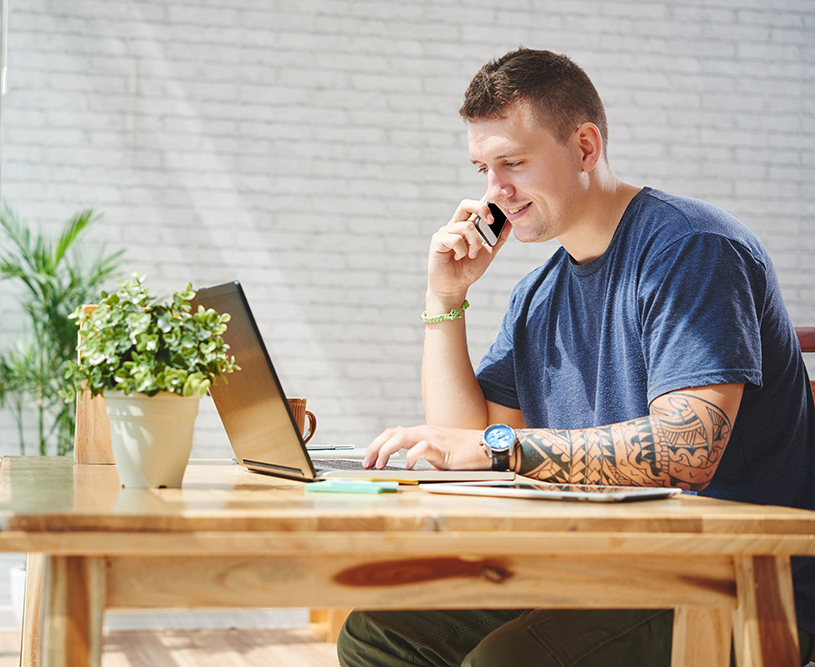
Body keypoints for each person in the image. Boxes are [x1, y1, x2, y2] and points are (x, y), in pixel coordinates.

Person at [337, 47, 815, 667]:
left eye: (512, 162)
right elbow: (465, 444)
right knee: (379, 633)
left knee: (507, 661)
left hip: (730, 576)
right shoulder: (538, 293)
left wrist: (497, 447)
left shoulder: (692, 250)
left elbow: (686, 451)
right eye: (482, 168)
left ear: (585, 147)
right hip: (603, 563)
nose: (495, 191)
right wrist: (445, 298)